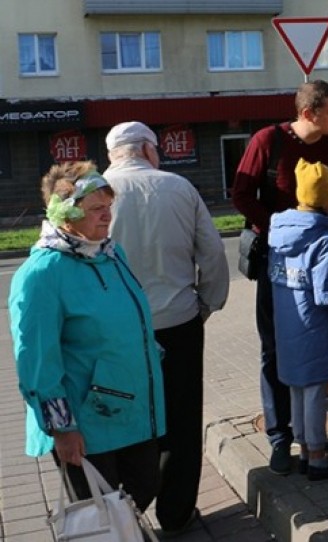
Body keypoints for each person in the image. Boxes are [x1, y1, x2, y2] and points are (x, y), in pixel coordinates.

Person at [9, 161, 165, 512]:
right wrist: (62, 429)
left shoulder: (111, 254)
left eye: (109, 206)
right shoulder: (41, 274)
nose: (107, 216)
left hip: (132, 410)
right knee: (100, 511)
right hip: (86, 423)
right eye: (96, 208)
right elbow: (36, 361)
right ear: (65, 213)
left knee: (145, 485)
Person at [103, 121, 229, 533]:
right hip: (178, 322)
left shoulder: (94, 193)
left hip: (116, 331)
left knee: (125, 415)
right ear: (148, 150)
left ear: (113, 154)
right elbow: (210, 252)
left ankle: (127, 513)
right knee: (181, 417)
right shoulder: (178, 188)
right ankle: (175, 513)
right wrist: (208, 303)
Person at [232, 79, 328, 476]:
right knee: (276, 349)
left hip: (322, 257)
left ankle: (311, 438)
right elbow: (241, 193)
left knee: (320, 345)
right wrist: (275, 230)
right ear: (308, 114)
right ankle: (280, 437)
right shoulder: (268, 141)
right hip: (277, 260)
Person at [269, 158, 328, 481]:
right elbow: (325, 294)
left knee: (296, 388)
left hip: (286, 324)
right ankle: (318, 458)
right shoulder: (322, 239)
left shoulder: (278, 232)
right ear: (327, 200)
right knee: (316, 393)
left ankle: (304, 450)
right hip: (312, 326)